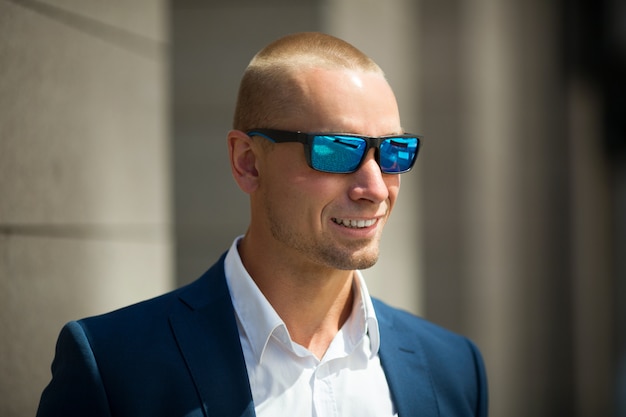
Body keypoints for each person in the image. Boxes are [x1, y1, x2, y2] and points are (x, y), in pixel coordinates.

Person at [37, 32, 488, 417]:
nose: (375, 186)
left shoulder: (453, 367)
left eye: (394, 152)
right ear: (248, 162)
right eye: (335, 150)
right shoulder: (114, 367)